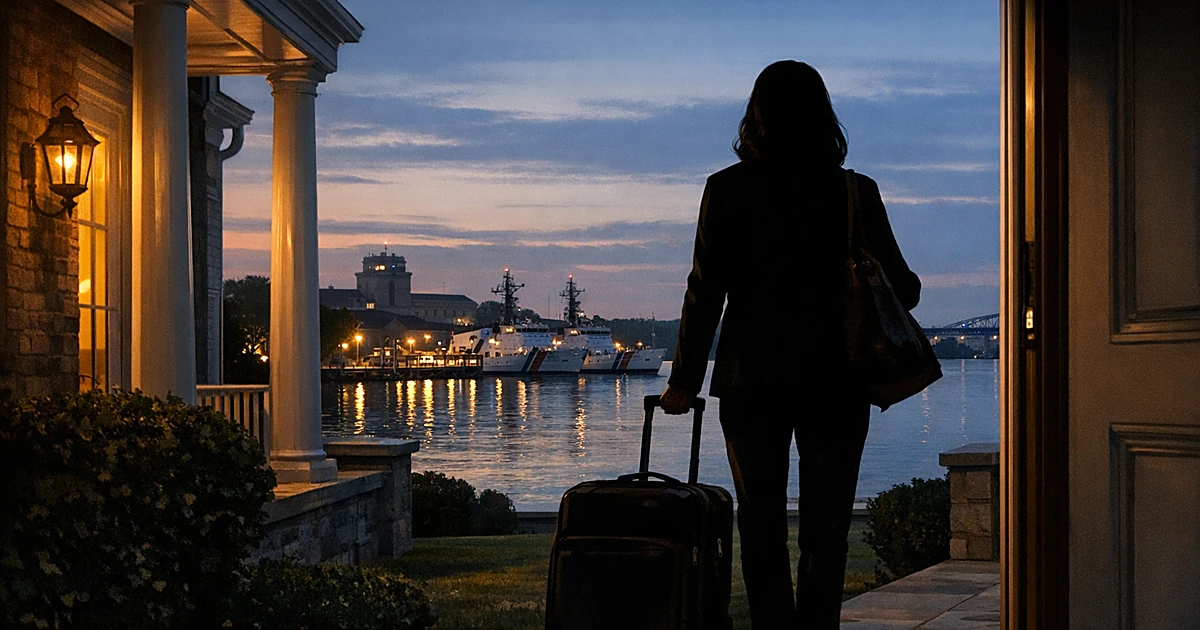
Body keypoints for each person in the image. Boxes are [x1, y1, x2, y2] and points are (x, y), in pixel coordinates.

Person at [659, 60, 921, 629]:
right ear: (825, 116)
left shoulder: (726, 191)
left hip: (752, 381)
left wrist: (684, 381)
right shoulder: (857, 193)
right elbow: (907, 291)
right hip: (838, 379)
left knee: (761, 527)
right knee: (827, 530)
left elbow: (704, 292)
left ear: (756, 118)